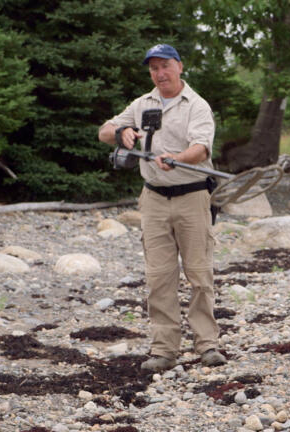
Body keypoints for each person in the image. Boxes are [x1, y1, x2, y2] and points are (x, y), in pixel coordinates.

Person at [98, 44, 226, 373]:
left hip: (193, 196)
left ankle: (207, 345)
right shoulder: (142, 104)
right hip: (153, 199)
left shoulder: (197, 105)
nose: (160, 73)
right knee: (159, 277)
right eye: (154, 68)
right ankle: (164, 349)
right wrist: (122, 132)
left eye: (165, 66)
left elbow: (200, 150)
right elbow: (104, 132)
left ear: (179, 66)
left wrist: (177, 159)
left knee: (199, 273)